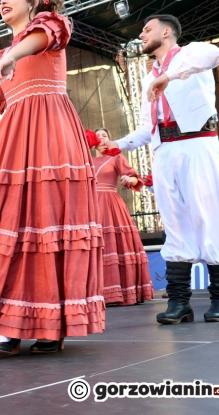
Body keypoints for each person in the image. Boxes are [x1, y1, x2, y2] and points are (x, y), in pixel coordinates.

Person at [0, 0, 105, 355]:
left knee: (47, 223)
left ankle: (51, 325)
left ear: (34, 2)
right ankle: (10, 323)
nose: (4, 1)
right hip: (14, 140)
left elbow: (40, 37)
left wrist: (8, 58)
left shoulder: (52, 26)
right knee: (10, 226)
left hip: (50, 133)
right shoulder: (7, 51)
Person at [101, 14, 219, 324]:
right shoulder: (149, 78)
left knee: (210, 215)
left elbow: (215, 55)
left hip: (198, 144)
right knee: (174, 222)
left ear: (166, 32)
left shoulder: (190, 54)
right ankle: (179, 301)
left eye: (147, 30)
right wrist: (118, 145)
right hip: (165, 150)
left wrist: (170, 77)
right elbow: (149, 126)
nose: (142, 35)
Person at [89, 128, 153, 306]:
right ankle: (96, 292)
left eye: (105, 135)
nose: (101, 138)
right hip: (90, 206)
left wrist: (129, 180)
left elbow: (133, 178)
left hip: (110, 205)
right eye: (98, 135)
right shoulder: (85, 160)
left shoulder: (116, 157)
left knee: (113, 245)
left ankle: (119, 292)